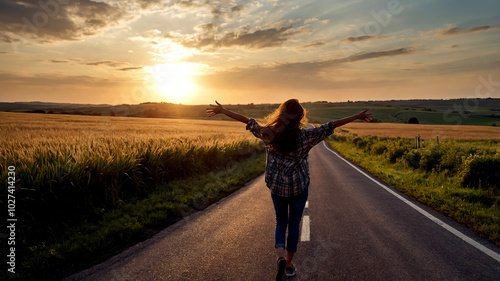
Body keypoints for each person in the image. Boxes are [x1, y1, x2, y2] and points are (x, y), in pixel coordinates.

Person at [206, 99, 372, 280]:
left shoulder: (268, 133)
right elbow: (330, 125)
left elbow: (248, 121)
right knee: (294, 225)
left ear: (281, 114)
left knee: (280, 222)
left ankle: (279, 257)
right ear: (300, 118)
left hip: (277, 188)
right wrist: (357, 116)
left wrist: (223, 110)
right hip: (298, 189)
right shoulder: (306, 136)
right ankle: (288, 264)